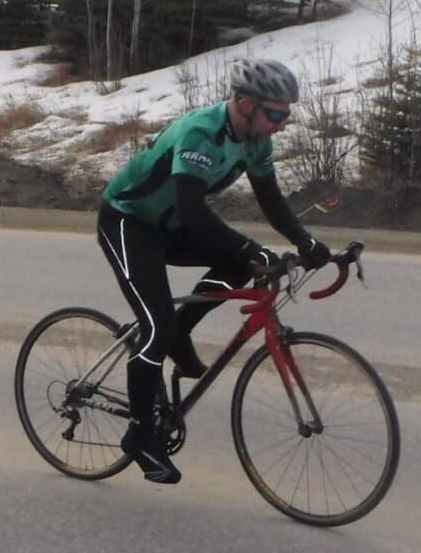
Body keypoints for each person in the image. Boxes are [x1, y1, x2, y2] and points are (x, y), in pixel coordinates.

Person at [98, 58, 331, 484]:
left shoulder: (256, 141)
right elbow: (192, 210)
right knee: (156, 328)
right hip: (129, 223)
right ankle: (140, 437)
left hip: (170, 227)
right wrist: (250, 247)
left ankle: (179, 331)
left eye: (287, 115)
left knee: (238, 263)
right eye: (275, 114)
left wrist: (305, 241)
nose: (282, 124)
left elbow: (271, 200)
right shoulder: (200, 133)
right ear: (245, 105)